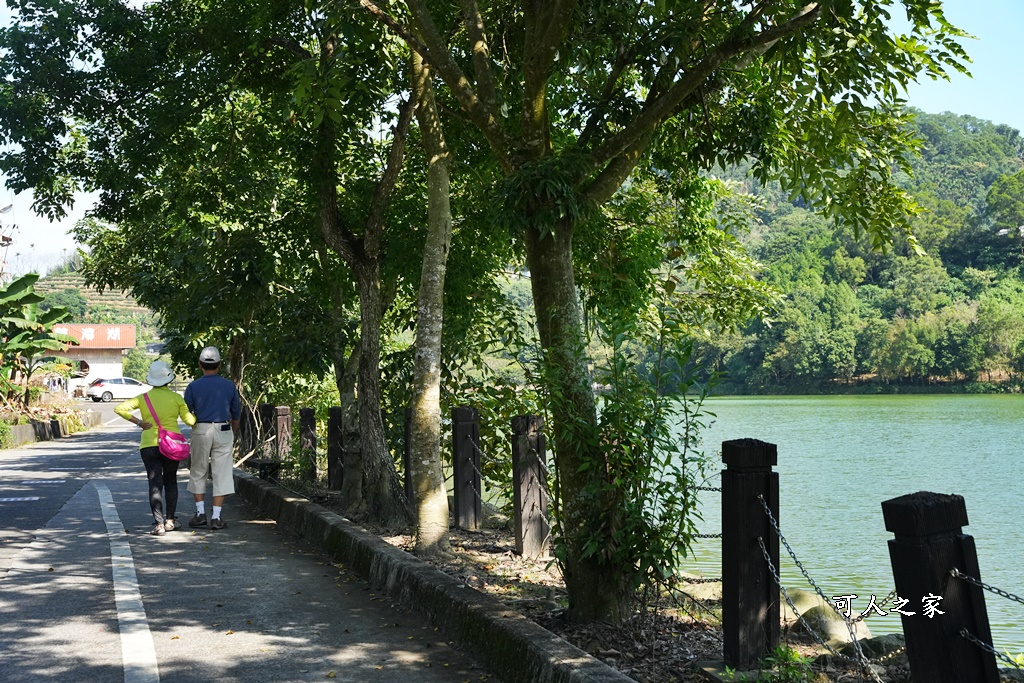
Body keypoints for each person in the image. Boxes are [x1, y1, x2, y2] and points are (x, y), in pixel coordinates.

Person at [114, 360, 196, 536]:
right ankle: (170, 521)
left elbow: (119, 408)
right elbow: (190, 421)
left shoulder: (143, 398)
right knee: (171, 481)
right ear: (168, 379)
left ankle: (158, 525)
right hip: (171, 445)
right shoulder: (176, 398)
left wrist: (139, 422)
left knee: (155, 484)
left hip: (149, 445)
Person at [184, 345, 241, 531]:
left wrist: (196, 426)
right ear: (220, 364)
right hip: (223, 428)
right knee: (221, 473)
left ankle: (200, 514)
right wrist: (232, 430)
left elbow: (187, 413)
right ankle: (216, 517)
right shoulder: (229, 385)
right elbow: (236, 413)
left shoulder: (193, 387)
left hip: (201, 428)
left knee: (198, 470)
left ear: (200, 364)